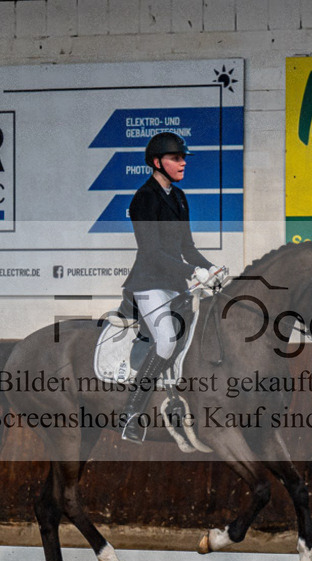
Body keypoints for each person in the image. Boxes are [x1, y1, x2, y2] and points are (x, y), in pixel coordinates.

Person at [119, 132, 223, 443]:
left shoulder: (178, 197)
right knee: (165, 339)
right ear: (156, 162)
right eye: (175, 158)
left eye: (182, 158)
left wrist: (209, 268)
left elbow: (187, 247)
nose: (182, 163)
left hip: (176, 285)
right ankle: (131, 414)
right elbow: (152, 252)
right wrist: (193, 271)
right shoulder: (143, 199)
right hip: (149, 285)